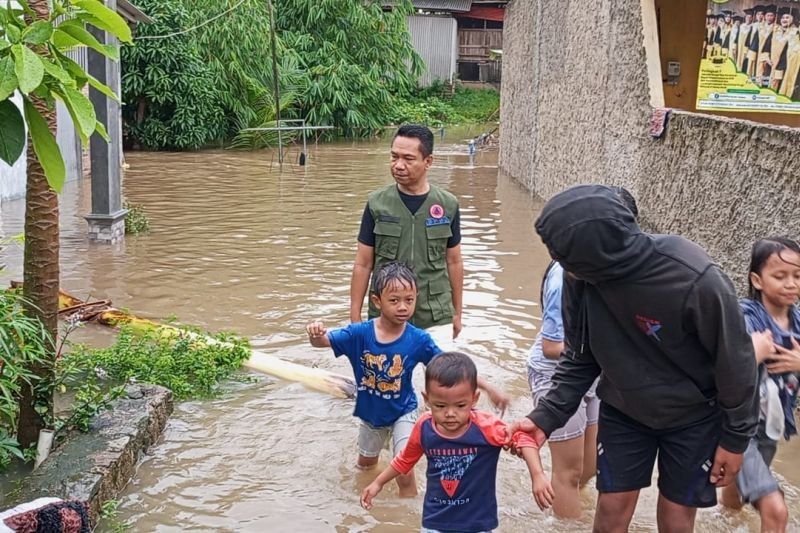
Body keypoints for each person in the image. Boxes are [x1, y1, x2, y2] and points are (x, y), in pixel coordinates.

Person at [511, 184, 759, 533]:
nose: (558, 262)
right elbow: (579, 357)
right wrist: (546, 416)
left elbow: (736, 363)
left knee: (676, 517)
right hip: (624, 410)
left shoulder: (693, 278)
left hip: (694, 416)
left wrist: (735, 440)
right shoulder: (579, 277)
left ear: (598, 253)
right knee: (611, 510)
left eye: (563, 254)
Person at [308, 262, 508, 497]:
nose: (402, 307)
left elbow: (453, 367)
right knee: (365, 465)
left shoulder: (418, 340)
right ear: (376, 301)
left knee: (404, 468)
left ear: (416, 298)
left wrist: (488, 388)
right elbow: (323, 343)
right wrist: (315, 334)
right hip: (371, 413)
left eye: (409, 300)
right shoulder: (358, 334)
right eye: (394, 301)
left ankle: (409, 516)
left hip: (404, 410)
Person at [526, 186, 639, 519]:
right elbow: (550, 348)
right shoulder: (567, 276)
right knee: (570, 472)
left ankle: (565, 504)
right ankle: (565, 512)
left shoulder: (621, 270)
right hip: (558, 372)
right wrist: (611, 353)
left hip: (596, 371)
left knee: (591, 466)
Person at [361, 352, 553, 532]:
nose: (450, 413)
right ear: (427, 399)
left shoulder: (486, 427)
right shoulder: (424, 427)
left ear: (474, 398)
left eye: (460, 405)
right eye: (440, 406)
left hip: (478, 523)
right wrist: (378, 483)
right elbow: (404, 460)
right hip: (434, 521)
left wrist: (537, 475)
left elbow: (523, 437)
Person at [350, 124, 464, 339]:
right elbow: (363, 263)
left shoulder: (448, 205)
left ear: (428, 161)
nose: (398, 165)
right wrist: (355, 317)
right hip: (385, 316)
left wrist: (457, 313)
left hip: (435, 314)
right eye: (394, 157)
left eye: (408, 159)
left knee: (440, 372)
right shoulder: (377, 203)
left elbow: (454, 261)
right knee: (385, 372)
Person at [720, 237, 800, 532]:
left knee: (736, 494)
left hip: (770, 428)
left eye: (797, 276)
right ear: (757, 279)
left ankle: (724, 521)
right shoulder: (745, 316)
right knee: (776, 510)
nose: (791, 283)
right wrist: (754, 353)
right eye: (780, 276)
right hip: (738, 430)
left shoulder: (798, 320)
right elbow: (724, 365)